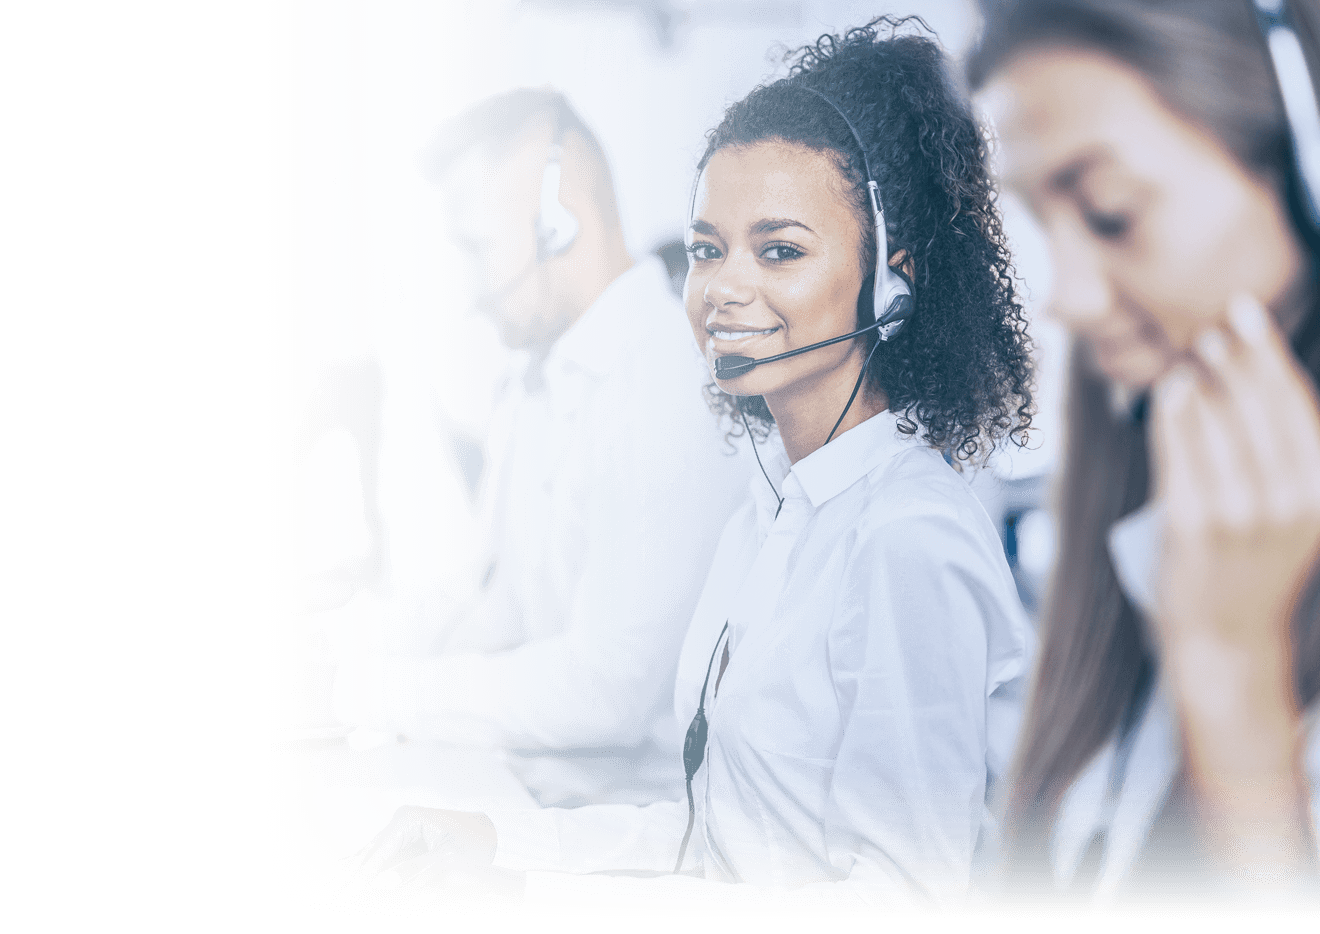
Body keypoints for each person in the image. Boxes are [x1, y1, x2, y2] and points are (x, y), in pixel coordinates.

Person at [338, 17, 1038, 915]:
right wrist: (498, 838)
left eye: (778, 250)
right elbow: (714, 839)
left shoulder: (909, 536)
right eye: (709, 249)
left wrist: (531, 892)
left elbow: (903, 902)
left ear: (889, 284)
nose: (721, 289)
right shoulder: (774, 510)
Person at [966, 0, 1320, 909]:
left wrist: (1232, 673)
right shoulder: (1137, 495)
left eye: (1110, 214)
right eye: (1044, 226)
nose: (1072, 300)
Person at [317, 88, 754, 811]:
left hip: (628, 830)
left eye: (476, 248)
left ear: (558, 223)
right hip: (528, 788)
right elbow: (496, 601)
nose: (468, 292)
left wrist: (382, 690)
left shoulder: (666, 387)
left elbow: (607, 687)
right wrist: (344, 647)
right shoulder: (533, 377)